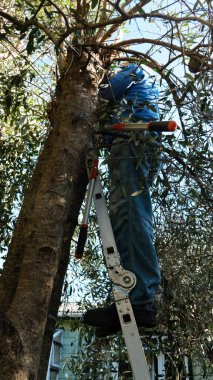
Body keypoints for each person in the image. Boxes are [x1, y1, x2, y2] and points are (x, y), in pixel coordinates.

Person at [83, 63, 161, 338]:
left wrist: (93, 90)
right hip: (126, 143)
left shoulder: (131, 70)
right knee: (122, 222)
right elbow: (105, 134)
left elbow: (110, 90)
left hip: (133, 140)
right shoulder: (121, 105)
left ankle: (142, 299)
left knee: (132, 216)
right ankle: (127, 299)